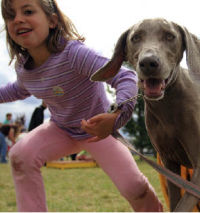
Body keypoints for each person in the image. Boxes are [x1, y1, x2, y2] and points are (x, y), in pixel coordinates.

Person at [0, 0, 162, 212]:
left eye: (28, 11)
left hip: (99, 130)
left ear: (52, 20)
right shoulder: (24, 68)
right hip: (61, 129)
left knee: (135, 187)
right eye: (10, 15)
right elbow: (18, 89)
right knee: (21, 154)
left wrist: (116, 116)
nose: (18, 19)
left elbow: (125, 76)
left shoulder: (74, 54)